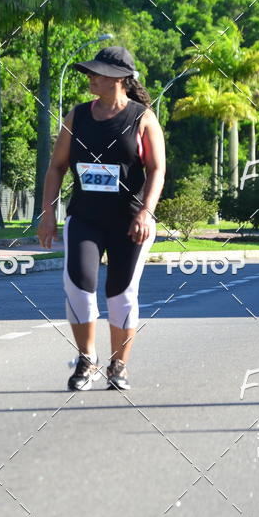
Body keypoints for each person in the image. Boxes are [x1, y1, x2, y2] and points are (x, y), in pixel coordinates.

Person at [38, 46, 166, 391]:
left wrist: (146, 213)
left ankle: (119, 364)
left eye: (97, 72)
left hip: (130, 221)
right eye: (90, 72)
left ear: (119, 78)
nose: (90, 77)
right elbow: (56, 167)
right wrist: (48, 214)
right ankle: (87, 359)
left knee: (121, 293)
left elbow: (157, 169)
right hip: (85, 217)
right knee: (78, 285)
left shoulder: (142, 118)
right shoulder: (77, 116)